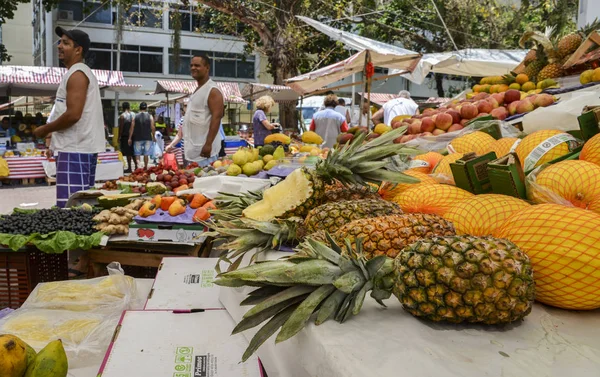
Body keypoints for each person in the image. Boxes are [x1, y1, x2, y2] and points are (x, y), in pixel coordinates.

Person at [33, 27, 104, 209]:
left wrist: (45, 129)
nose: (59, 46)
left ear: (78, 50)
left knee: (72, 209)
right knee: (81, 208)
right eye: (60, 42)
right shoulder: (78, 72)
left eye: (66, 43)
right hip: (78, 149)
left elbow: (73, 114)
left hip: (75, 149)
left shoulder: (77, 73)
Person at [165, 55, 224, 166]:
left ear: (207, 67)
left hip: (205, 155)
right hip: (193, 154)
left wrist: (208, 144)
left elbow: (217, 117)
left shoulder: (212, 91)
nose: (193, 68)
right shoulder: (197, 90)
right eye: (191, 65)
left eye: (197, 65)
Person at [128, 102, 155, 169]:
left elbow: (132, 127)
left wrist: (130, 138)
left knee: (137, 154)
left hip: (137, 138)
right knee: (146, 154)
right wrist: (153, 136)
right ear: (146, 108)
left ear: (139, 108)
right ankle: (145, 167)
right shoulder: (150, 116)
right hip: (148, 138)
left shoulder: (135, 116)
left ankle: (139, 168)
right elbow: (153, 127)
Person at [118, 102, 136, 172]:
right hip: (133, 135)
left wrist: (119, 136)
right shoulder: (134, 114)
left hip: (125, 136)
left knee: (128, 152)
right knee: (133, 152)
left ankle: (129, 168)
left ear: (123, 107)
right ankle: (136, 167)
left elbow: (121, 127)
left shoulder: (122, 116)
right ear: (129, 107)